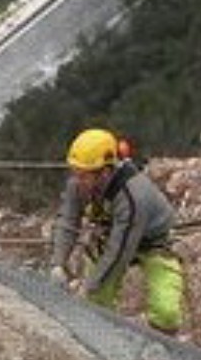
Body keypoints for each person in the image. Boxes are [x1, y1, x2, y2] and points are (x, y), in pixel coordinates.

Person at [49, 127, 187, 336]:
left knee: (166, 312)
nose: (77, 180)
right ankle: (98, 339)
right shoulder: (79, 184)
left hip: (155, 243)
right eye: (75, 172)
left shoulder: (132, 195)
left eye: (84, 175)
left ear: (104, 172)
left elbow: (119, 253)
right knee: (96, 303)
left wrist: (88, 286)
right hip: (111, 236)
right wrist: (58, 263)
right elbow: (67, 221)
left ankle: (162, 343)